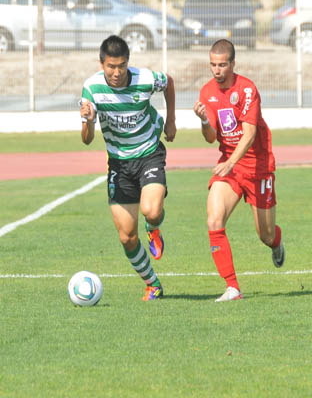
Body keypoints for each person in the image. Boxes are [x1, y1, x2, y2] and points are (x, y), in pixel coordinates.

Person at [79, 35, 176, 300]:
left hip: (149, 153)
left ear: (127, 63)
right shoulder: (92, 88)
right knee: (126, 237)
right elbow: (87, 140)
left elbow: (168, 82)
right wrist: (88, 121)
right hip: (119, 165)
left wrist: (171, 121)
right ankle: (153, 284)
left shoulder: (145, 79)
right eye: (111, 66)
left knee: (151, 210)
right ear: (102, 64)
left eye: (121, 65)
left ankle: (153, 227)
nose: (116, 72)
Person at [193, 39, 285, 302]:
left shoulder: (247, 90)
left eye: (222, 64)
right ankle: (232, 287)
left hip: (258, 166)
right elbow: (211, 137)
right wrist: (202, 121)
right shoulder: (207, 92)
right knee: (214, 220)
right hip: (229, 166)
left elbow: (250, 133)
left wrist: (230, 163)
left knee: (265, 235)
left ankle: (276, 243)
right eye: (213, 64)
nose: (217, 70)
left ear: (233, 64)